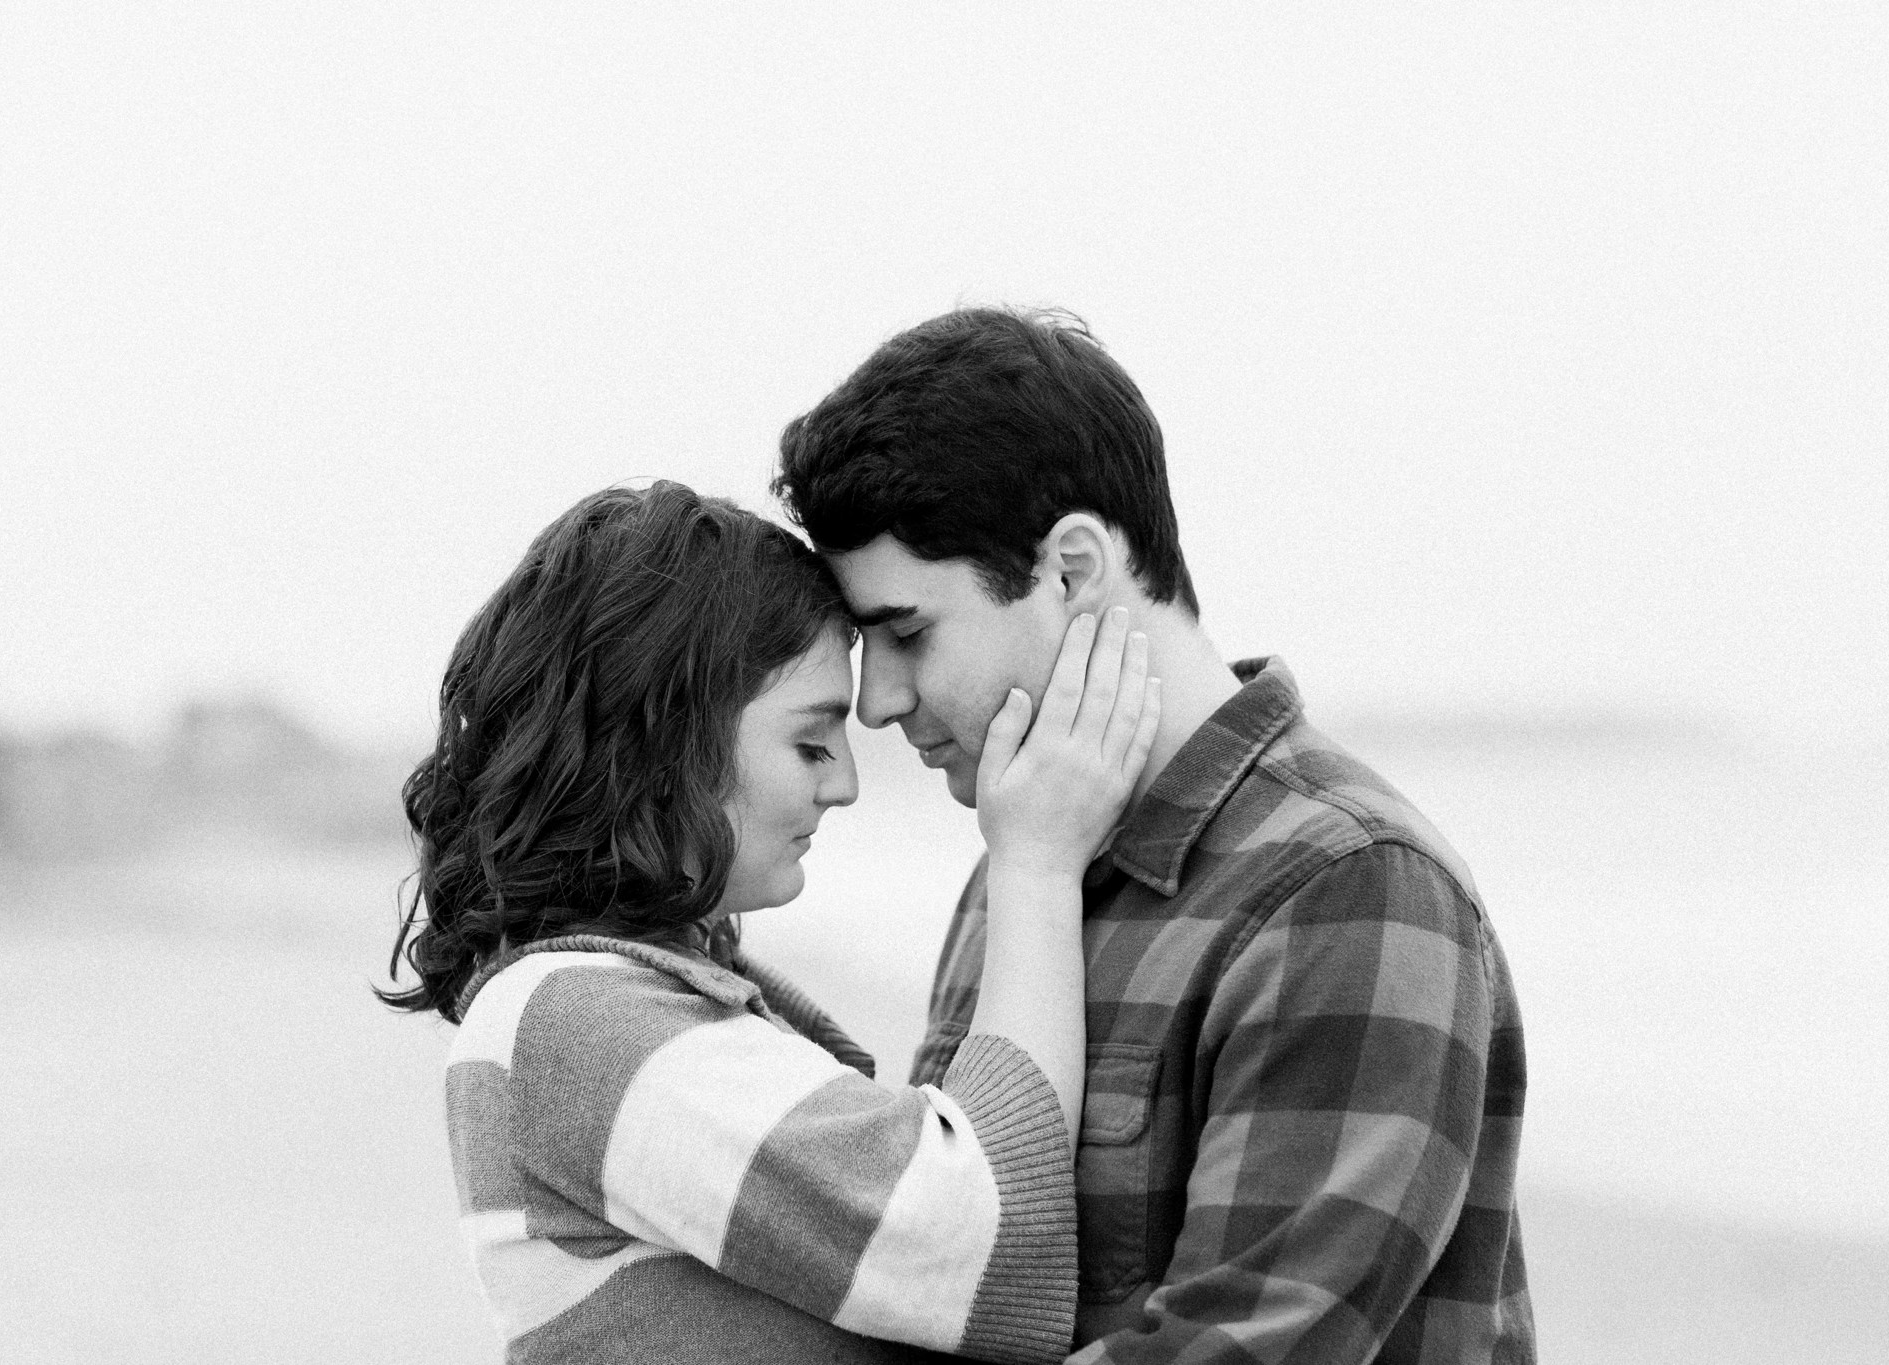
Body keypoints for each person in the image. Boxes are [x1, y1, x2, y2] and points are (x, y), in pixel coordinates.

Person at [773, 308, 1536, 1364]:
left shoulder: (1352, 887)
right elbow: (943, 1274)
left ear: (1074, 571)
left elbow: (1237, 1348)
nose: (878, 703)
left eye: (906, 634)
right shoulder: (1023, 867)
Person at [380, 480, 1161, 1364]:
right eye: (810, 742)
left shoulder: (586, 1004)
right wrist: (1038, 864)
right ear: (667, 741)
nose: (844, 784)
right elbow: (979, 1239)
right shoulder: (570, 1020)